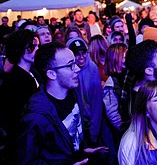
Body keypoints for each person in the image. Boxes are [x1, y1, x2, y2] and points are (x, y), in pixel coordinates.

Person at [14, 42, 109, 164]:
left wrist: (81, 151)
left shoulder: (72, 93)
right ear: (51, 74)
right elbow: (25, 161)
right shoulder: (36, 115)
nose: (77, 69)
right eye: (70, 65)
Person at [0, 30, 40, 162]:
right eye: (32, 46)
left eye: (37, 46)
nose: (36, 50)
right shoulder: (15, 80)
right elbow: (15, 117)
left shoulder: (31, 73)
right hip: (23, 142)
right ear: (21, 49)